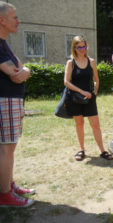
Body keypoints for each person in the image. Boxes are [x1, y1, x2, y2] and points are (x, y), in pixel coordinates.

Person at [0, 2, 35, 208]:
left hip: (11, 101)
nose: (18, 21)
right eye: (15, 17)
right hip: (6, 100)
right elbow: (16, 75)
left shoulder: (5, 44)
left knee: (9, 147)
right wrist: (24, 71)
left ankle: (8, 184)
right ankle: (4, 194)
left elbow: (24, 69)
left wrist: (26, 70)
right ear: (2, 20)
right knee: (7, 148)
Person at [64, 36, 113, 161]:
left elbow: (96, 79)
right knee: (79, 124)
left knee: (95, 125)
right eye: (79, 47)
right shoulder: (71, 62)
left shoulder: (91, 61)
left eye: (84, 46)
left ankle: (102, 151)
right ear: (74, 48)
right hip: (75, 98)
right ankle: (81, 150)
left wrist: (94, 93)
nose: (82, 49)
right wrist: (81, 91)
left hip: (89, 98)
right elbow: (66, 82)